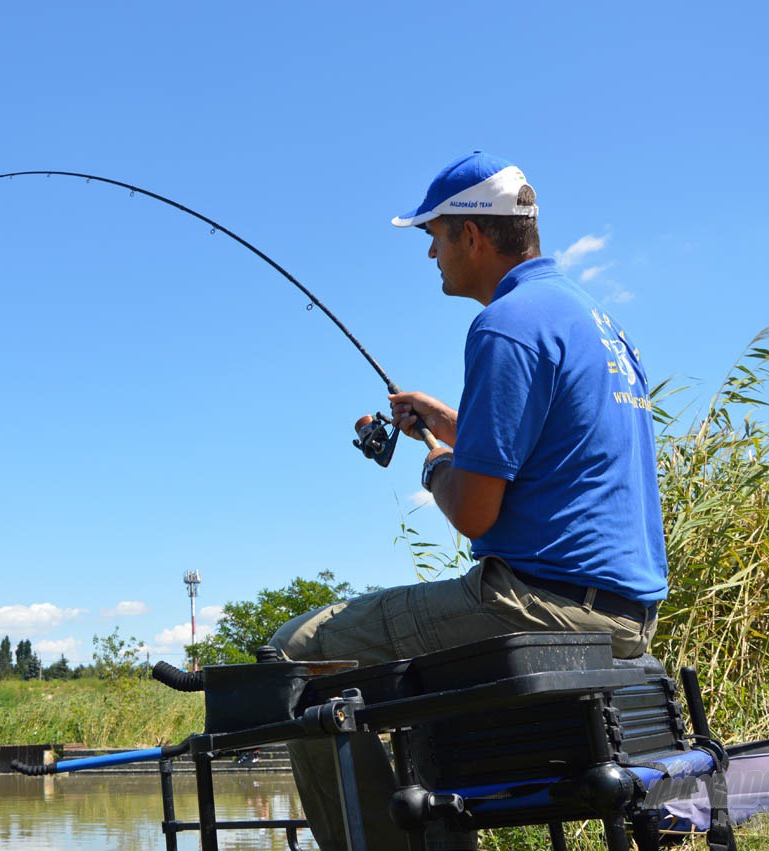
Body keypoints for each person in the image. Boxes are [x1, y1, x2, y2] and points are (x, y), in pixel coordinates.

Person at [270, 151, 668, 851]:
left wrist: (436, 464)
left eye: (435, 233)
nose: (430, 250)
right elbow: (554, 447)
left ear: (473, 237)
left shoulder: (504, 325)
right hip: (624, 614)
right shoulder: (593, 320)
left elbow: (473, 512)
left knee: (297, 656)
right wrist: (450, 423)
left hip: (536, 605)